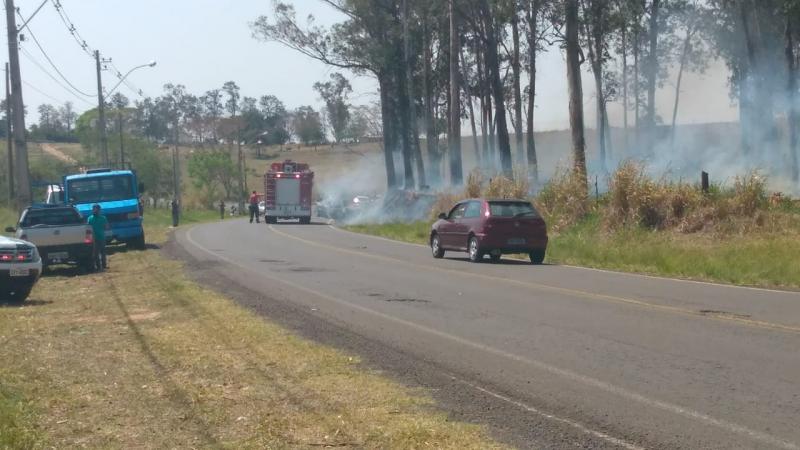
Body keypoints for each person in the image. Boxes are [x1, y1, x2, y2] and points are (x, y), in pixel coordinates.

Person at [87, 204, 109, 272]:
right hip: (94, 238)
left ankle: (103, 265)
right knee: (96, 253)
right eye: (94, 209)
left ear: (99, 210)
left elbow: (106, 227)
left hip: (101, 237)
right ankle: (99, 266)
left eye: (96, 209)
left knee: (102, 252)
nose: (94, 210)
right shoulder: (90, 218)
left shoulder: (103, 218)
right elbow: (88, 228)